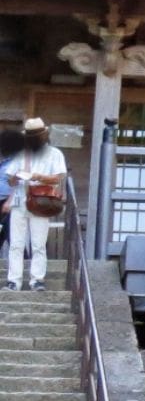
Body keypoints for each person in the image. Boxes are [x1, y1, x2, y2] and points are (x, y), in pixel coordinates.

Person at [3, 118, 68, 291]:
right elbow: (10, 180)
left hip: (42, 201)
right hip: (20, 201)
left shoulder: (54, 153)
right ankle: (14, 280)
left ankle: (37, 280)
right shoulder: (20, 153)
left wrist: (38, 177)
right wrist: (16, 177)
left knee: (38, 244)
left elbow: (59, 177)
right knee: (16, 244)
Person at [0, 125, 22, 268]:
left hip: (10, 202)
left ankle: (22, 265)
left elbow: (20, 183)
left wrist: (10, 201)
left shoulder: (18, 162)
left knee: (12, 236)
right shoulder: (3, 162)